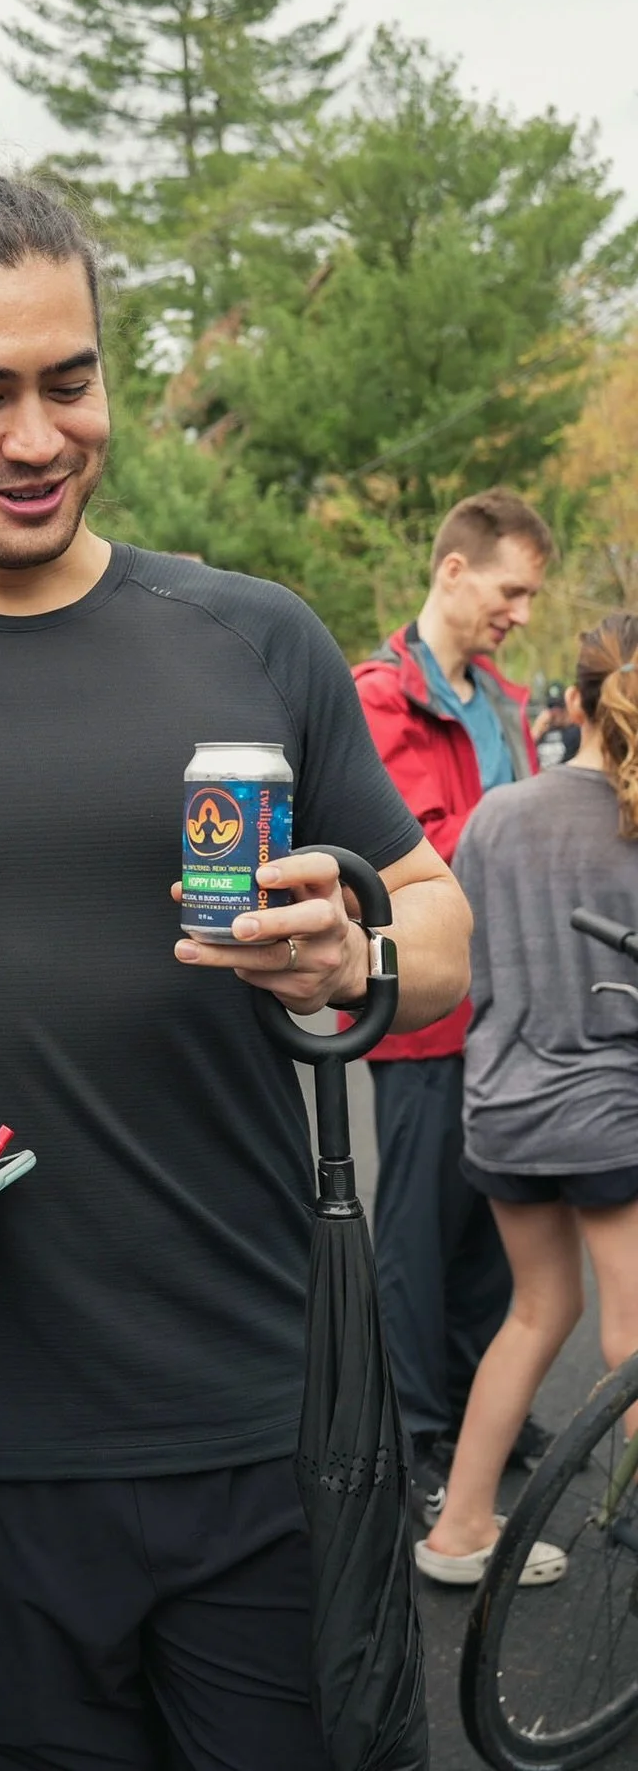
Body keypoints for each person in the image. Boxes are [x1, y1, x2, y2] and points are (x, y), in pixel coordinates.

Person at [0, 174, 471, 1770]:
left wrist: (355, 953)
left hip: (263, 1420)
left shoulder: (252, 636)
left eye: (69, 382)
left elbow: (441, 939)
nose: (37, 438)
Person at [415, 614, 638, 1586]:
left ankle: (459, 1529)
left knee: (539, 1311)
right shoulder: (632, 821)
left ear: (576, 703)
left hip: (503, 1103)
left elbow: (465, 957)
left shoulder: (498, 814)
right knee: (633, 1335)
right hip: (608, 1109)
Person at [352, 489, 551, 1518]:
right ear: (454, 570)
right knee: (417, 1239)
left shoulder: (506, 703)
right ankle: (418, 1438)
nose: (521, 612)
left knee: (488, 1234)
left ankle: (484, 1413)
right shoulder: (379, 699)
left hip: (510, 1014)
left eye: (532, 596)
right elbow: (409, 859)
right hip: (427, 1013)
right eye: (511, 591)